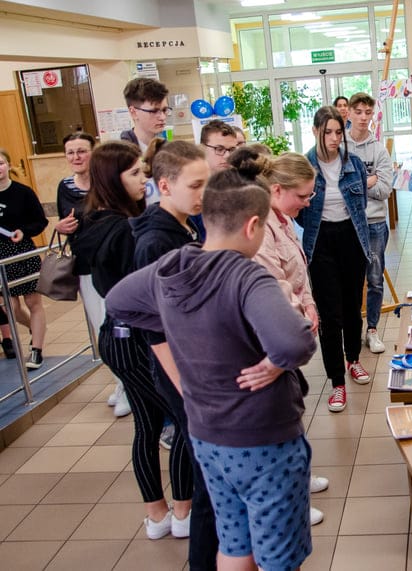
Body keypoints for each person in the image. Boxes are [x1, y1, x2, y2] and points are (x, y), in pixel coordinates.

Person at [105, 173, 318, 571]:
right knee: (278, 557)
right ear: (254, 225)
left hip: (208, 437)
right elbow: (295, 343)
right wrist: (274, 363)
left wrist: (181, 326)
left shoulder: (172, 267)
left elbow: (118, 302)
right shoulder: (247, 275)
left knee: (235, 544)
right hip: (262, 439)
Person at [72, 141, 193, 541]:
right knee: (180, 417)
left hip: (116, 335)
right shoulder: (127, 230)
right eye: (135, 174)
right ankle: (182, 510)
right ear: (112, 179)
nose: (144, 182)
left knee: (146, 423)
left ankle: (157, 514)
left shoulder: (95, 221)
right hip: (135, 339)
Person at [229, 147, 331, 526]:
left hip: (294, 325)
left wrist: (310, 306)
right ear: (275, 190)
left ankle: (299, 480)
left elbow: (298, 274)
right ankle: (291, 503)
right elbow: (274, 283)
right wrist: (301, 313)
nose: (308, 202)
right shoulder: (261, 227)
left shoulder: (284, 220)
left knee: (293, 414)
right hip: (273, 336)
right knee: (277, 425)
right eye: (302, 195)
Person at [130, 139, 218, 567]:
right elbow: (156, 330)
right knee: (207, 481)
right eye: (195, 184)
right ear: (165, 185)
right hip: (179, 371)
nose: (204, 194)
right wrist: (186, 390)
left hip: (194, 363)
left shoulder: (182, 227)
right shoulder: (155, 242)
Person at [296, 106, 370, 413]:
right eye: (328, 132)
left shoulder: (353, 164)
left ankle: (353, 359)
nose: (334, 138)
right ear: (315, 131)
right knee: (330, 314)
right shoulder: (305, 166)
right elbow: (300, 212)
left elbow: (361, 203)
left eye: (338, 132)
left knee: (353, 307)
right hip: (321, 241)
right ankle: (336, 380)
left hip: (351, 238)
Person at [56, 132, 131, 415]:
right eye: (70, 152)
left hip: (113, 267)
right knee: (102, 328)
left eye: (81, 151)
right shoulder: (64, 187)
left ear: (93, 153)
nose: (76, 157)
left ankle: (128, 386)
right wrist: (61, 228)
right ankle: (121, 383)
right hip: (86, 266)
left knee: (120, 328)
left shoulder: (107, 185)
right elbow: (65, 221)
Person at [346, 92, 393, 355]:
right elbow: (338, 186)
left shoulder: (379, 150)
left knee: (374, 279)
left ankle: (372, 329)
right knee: (351, 280)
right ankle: (352, 330)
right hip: (347, 223)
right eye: (359, 112)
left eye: (368, 113)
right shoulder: (339, 147)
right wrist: (367, 181)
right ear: (349, 113)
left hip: (374, 223)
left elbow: (385, 189)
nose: (364, 118)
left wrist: (356, 185)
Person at [0, 148, 48, 369]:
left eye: (1, 163)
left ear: (9, 165)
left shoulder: (23, 193)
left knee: (33, 302)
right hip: (2, 258)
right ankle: (34, 327)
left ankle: (36, 350)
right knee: (11, 306)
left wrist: (24, 232)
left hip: (22, 253)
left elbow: (41, 221)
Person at [120, 78, 171, 206]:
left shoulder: (169, 151)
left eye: (164, 110)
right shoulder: (120, 157)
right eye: (154, 111)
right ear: (133, 112)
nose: (162, 117)